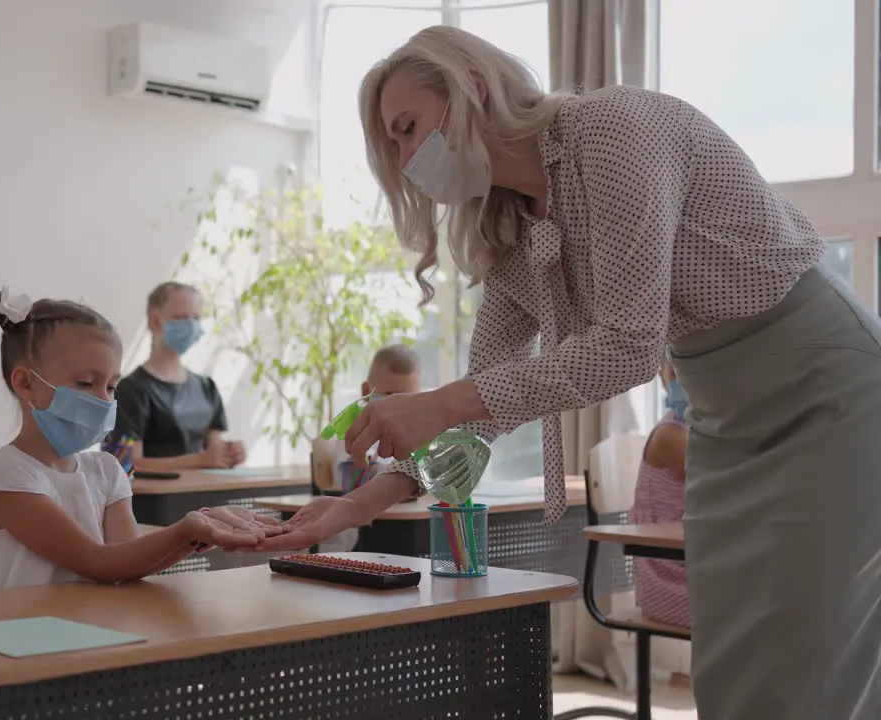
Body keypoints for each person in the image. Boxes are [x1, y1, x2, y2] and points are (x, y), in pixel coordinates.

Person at [258, 25, 880, 720]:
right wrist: (357, 506)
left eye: (408, 129)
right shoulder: (511, 230)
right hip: (725, 421)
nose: (407, 160)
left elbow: (629, 344)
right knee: (734, 662)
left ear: (473, 89)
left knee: (810, 653)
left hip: (827, 391)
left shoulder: (612, 131)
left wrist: (443, 403)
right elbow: (483, 407)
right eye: (394, 147)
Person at [0, 288, 279, 593]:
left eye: (111, 387)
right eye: (86, 383)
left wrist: (199, 528)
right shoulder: (4, 476)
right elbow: (98, 562)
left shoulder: (106, 471)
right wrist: (187, 529)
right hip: (9, 643)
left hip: (84, 637)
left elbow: (128, 562)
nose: (103, 401)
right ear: (26, 383)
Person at [110, 281, 243, 472]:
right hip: (152, 500)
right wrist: (199, 460)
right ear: (155, 321)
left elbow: (213, 451)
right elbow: (124, 463)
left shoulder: (206, 387)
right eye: (180, 318)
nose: (190, 326)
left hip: (202, 495)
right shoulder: (130, 390)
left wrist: (230, 454)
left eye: (196, 318)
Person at [315, 344, 424, 552]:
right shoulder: (353, 430)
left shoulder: (420, 433)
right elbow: (350, 477)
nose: (398, 407)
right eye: (390, 395)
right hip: (357, 538)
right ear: (367, 392)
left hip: (402, 528)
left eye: (409, 399)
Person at [630, 358, 690, 628]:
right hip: (668, 578)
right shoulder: (670, 435)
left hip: (693, 564)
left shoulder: (699, 432)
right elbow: (736, 482)